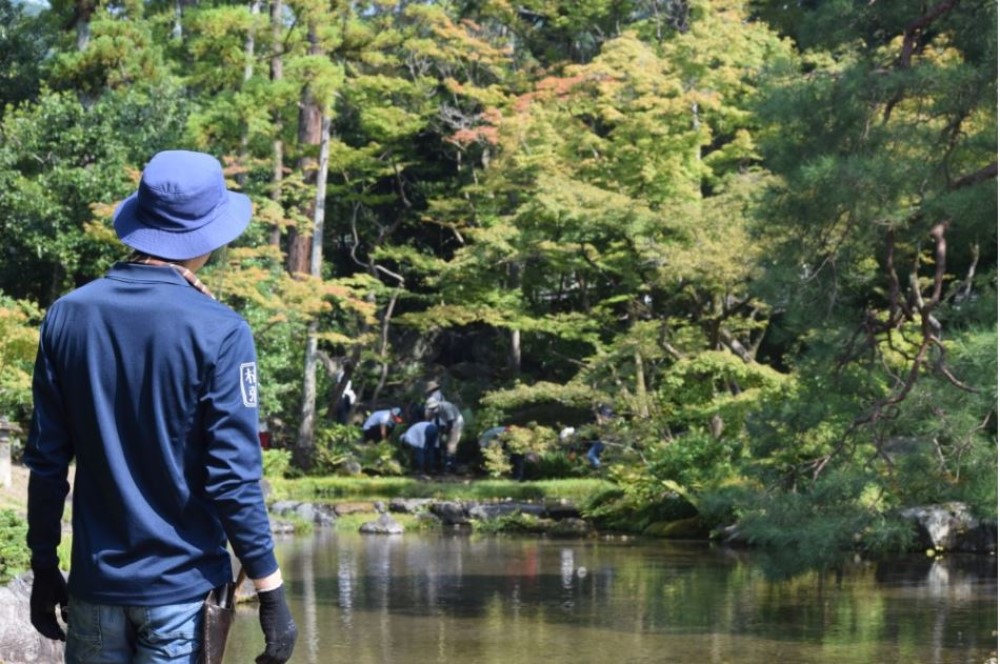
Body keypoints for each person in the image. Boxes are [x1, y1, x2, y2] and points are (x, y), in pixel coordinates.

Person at [24, 150, 297, 663]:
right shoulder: (220, 330)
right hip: (183, 593)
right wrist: (271, 593)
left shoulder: (67, 317)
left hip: (94, 588)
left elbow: (46, 461)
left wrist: (43, 566)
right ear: (210, 235)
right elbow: (232, 479)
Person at [425, 397, 464, 473]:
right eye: (431, 408)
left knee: (451, 444)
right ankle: (449, 463)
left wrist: (444, 433)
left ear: (437, 404)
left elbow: (451, 423)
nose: (433, 410)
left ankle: (449, 465)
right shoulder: (435, 410)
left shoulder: (447, 407)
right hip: (448, 423)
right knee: (444, 443)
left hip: (457, 423)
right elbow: (435, 420)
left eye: (434, 408)